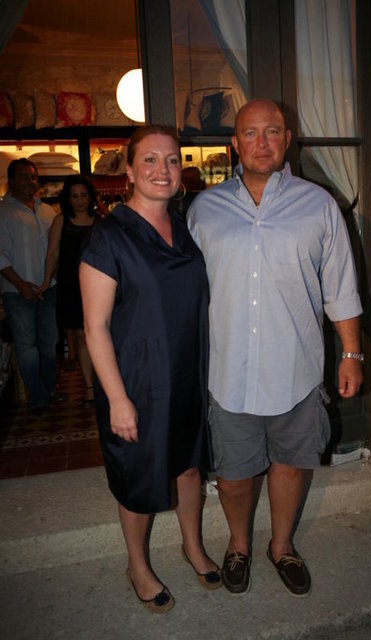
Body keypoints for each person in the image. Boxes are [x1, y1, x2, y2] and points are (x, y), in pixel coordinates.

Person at [188, 99, 363, 598]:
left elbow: (340, 286)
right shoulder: (204, 210)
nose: (261, 142)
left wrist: (351, 354)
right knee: (234, 475)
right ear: (234, 143)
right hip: (228, 374)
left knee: (291, 464)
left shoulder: (319, 205)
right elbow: (187, 293)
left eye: (272, 132)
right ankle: (239, 544)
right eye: (250, 132)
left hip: (296, 370)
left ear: (288, 140)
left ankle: (281, 546)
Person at [79, 125, 221, 614]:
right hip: (136, 383)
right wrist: (117, 400)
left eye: (173, 160)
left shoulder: (183, 228)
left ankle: (192, 546)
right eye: (150, 160)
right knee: (138, 478)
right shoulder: (108, 236)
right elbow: (95, 327)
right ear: (129, 169)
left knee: (188, 465)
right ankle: (137, 565)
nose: (163, 170)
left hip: (185, 375)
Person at [0, 158, 59, 412]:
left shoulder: (47, 211)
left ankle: (49, 387)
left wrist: (49, 280)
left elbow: (55, 251)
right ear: (11, 181)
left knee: (50, 342)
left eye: (33, 176)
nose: (30, 181)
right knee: (27, 346)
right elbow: (0, 255)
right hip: (17, 292)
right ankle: (37, 396)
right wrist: (21, 284)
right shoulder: (3, 212)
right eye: (24, 176)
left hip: (48, 288)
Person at [38, 175, 99, 408]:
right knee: (82, 335)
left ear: (90, 197)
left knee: (99, 334)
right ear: (68, 199)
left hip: (98, 286)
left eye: (83, 195)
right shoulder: (61, 221)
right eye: (75, 196)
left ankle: (103, 382)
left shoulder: (100, 222)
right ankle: (90, 387)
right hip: (71, 286)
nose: (80, 200)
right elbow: (52, 254)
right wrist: (46, 280)